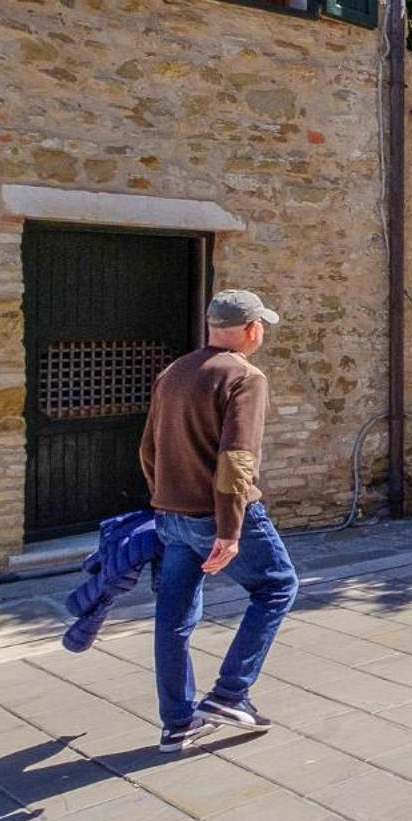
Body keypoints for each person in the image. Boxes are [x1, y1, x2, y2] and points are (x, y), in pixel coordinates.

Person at [140, 290, 298, 753]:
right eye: (261, 326)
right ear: (251, 329)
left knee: (173, 620)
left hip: (170, 515)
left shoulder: (173, 373)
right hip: (221, 514)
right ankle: (230, 693)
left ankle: (177, 722)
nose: (263, 333)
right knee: (277, 587)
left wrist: (164, 497)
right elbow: (236, 460)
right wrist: (229, 530)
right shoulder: (244, 377)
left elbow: (149, 449)